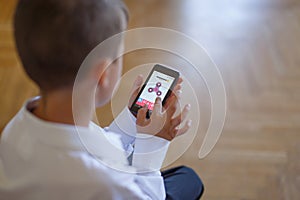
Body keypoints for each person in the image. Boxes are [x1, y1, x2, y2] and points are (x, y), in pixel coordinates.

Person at [0, 0, 204, 199]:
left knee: (186, 179)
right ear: (103, 74)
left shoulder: (16, 127)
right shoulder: (103, 181)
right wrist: (152, 143)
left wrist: (134, 118)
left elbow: (98, 149)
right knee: (189, 180)